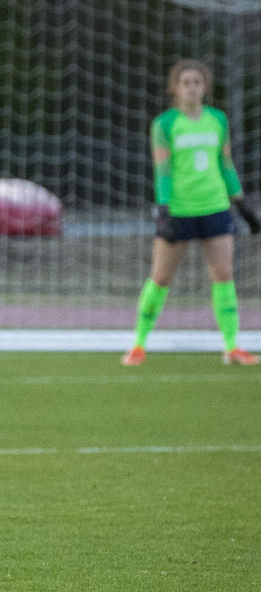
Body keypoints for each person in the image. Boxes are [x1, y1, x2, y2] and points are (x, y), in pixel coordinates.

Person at [122, 59, 261, 367]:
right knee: (160, 277)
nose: (192, 88)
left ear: (205, 87)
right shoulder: (165, 124)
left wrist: (241, 203)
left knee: (223, 275)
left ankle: (232, 346)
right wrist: (164, 208)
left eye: (197, 82)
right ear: (175, 87)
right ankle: (138, 345)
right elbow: (163, 171)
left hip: (214, 206)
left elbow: (225, 164)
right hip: (180, 210)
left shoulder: (217, 120)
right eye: (186, 82)